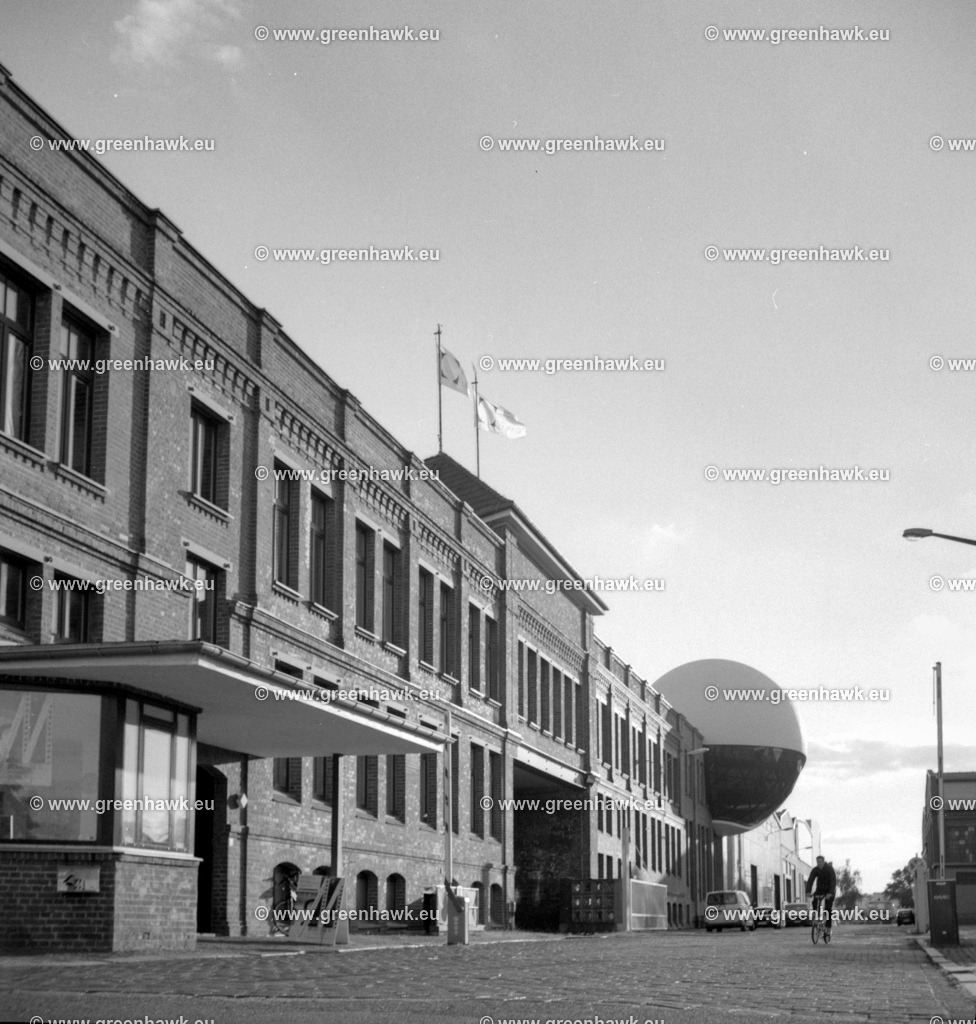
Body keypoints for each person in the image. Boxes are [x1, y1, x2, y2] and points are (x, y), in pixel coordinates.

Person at [805, 855, 837, 933]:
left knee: (828, 908)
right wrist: (808, 891)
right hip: (820, 889)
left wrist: (830, 893)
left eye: (820, 862)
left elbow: (833, 881)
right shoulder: (815, 870)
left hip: (830, 890)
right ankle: (817, 917)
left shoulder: (829, 869)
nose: (818, 863)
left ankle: (828, 927)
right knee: (815, 901)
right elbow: (810, 880)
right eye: (817, 862)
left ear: (823, 861)